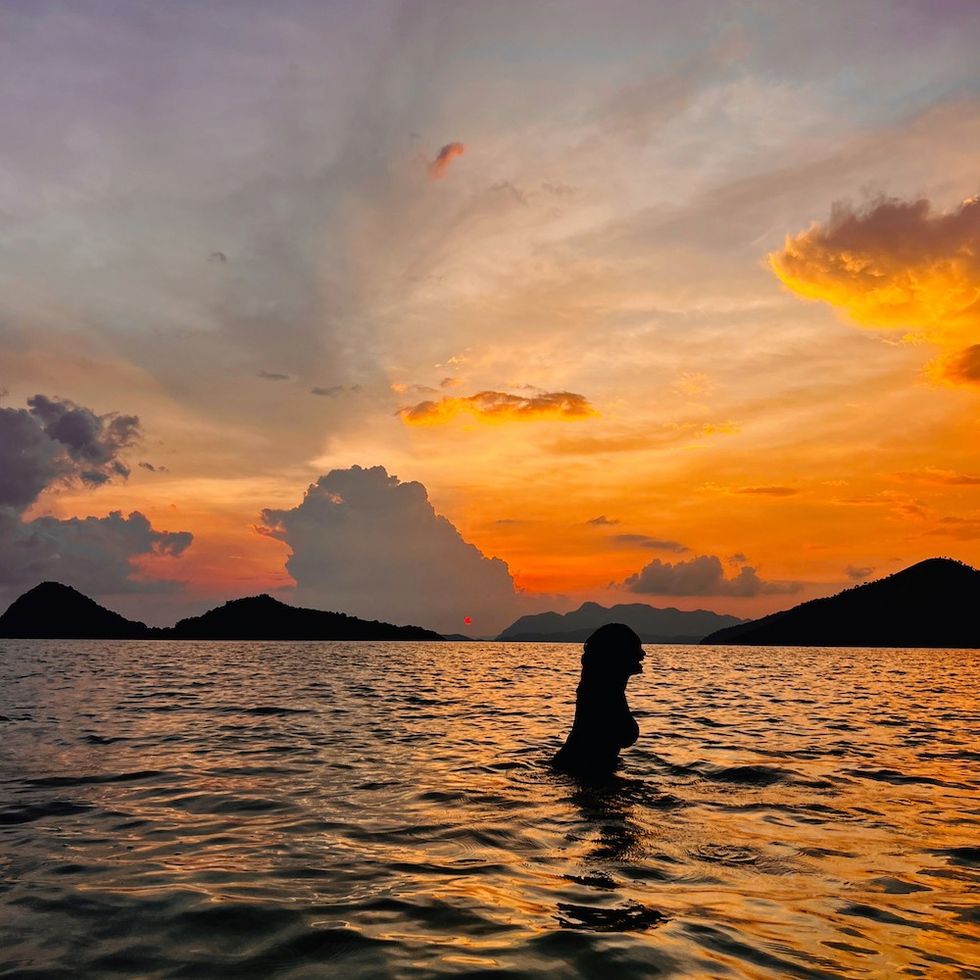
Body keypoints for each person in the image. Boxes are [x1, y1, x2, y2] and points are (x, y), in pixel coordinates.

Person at [552, 623, 645, 776]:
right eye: (636, 649)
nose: (643, 654)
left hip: (577, 767)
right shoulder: (604, 690)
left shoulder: (597, 686)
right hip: (585, 769)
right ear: (617, 655)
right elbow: (625, 734)